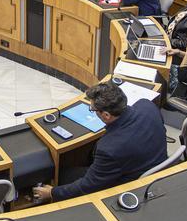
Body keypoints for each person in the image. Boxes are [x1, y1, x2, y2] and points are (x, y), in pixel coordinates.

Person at [32, 83, 167, 203]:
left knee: (65, 174)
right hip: (157, 164)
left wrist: (52, 192)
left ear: (106, 115)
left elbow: (88, 185)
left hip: (131, 184)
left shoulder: (110, 148)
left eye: (93, 110)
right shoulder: (146, 105)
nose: (92, 112)